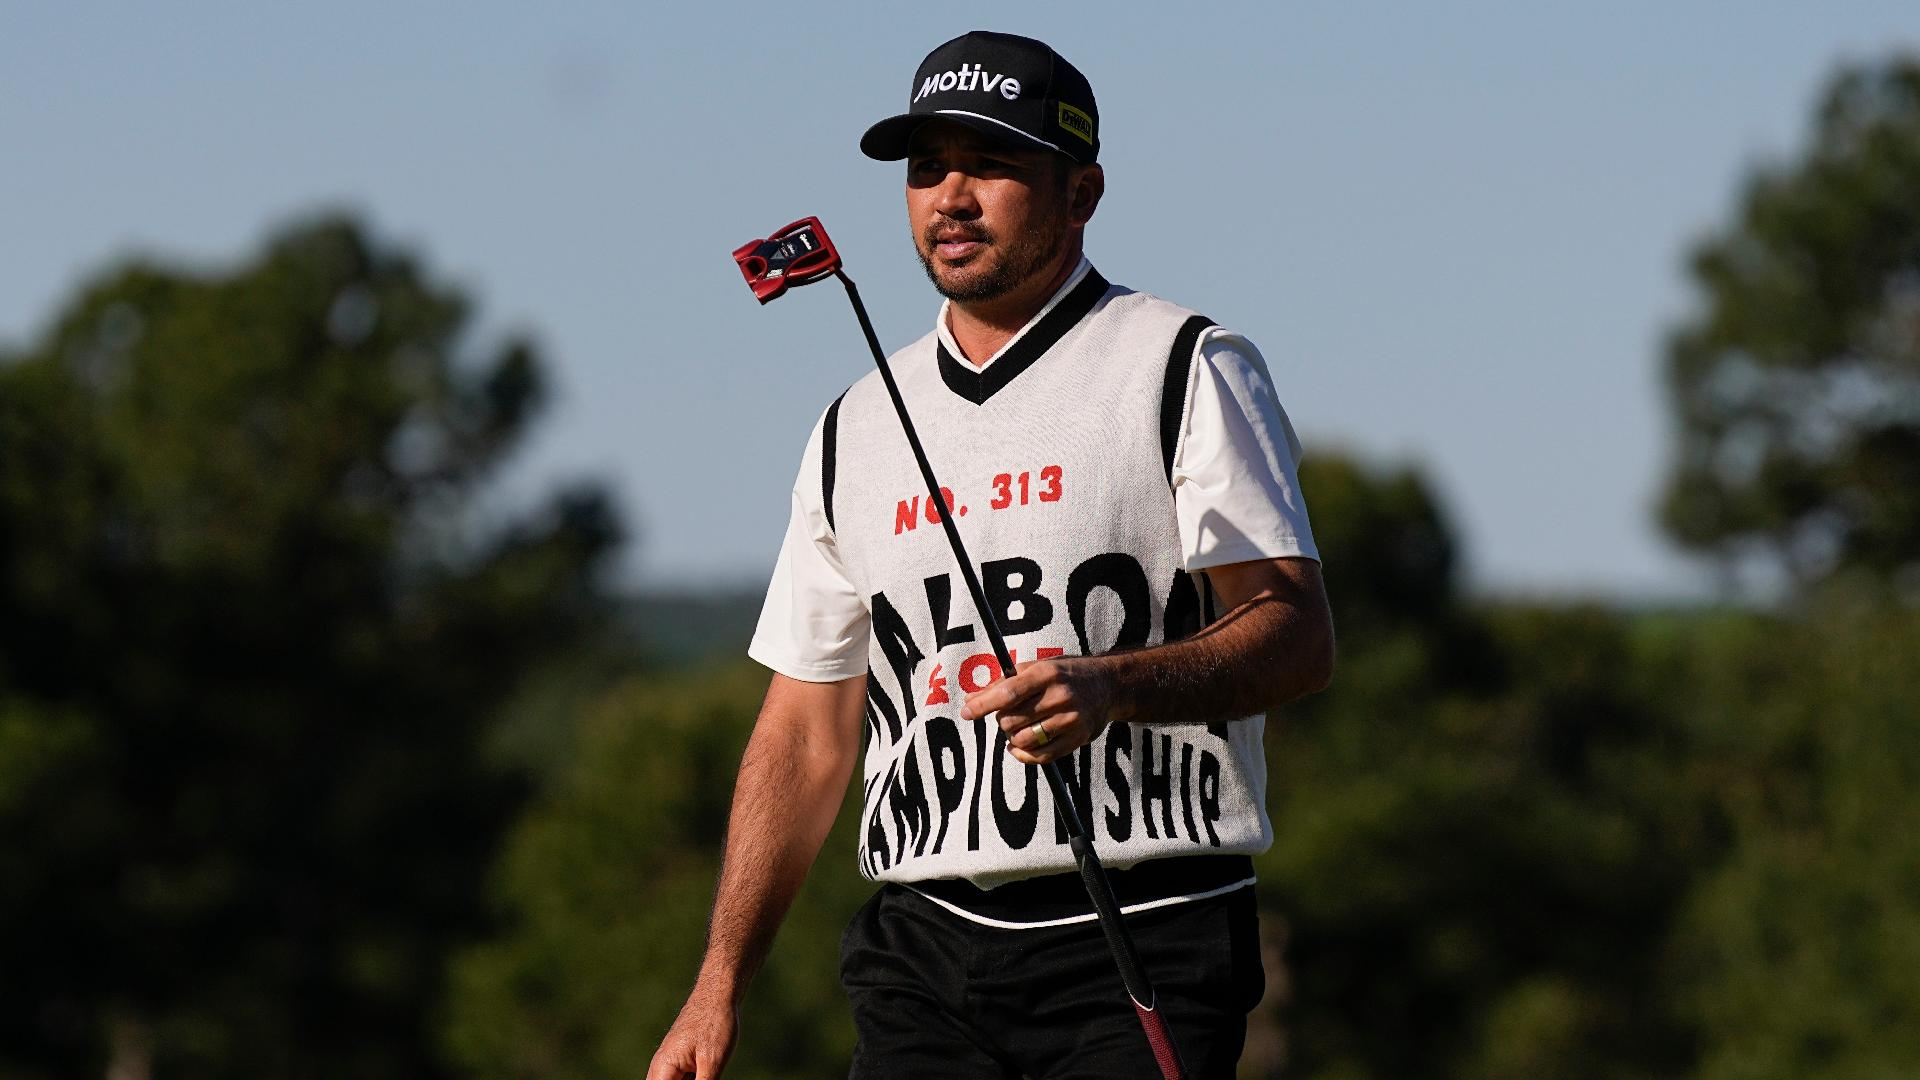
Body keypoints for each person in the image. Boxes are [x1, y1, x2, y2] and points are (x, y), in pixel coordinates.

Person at [648, 29, 1334, 1080]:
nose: (951, 197)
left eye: (993, 163)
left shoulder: (1185, 364)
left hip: (1147, 928)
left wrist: (1113, 686)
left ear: (1081, 191)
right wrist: (717, 983)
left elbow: (1296, 635)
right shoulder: (853, 424)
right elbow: (805, 732)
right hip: (918, 955)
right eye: (928, 167)